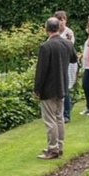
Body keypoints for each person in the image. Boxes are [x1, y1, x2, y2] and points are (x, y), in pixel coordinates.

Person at [33, 16, 76, 159]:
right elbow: (74, 59)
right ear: (59, 28)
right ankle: (59, 146)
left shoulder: (46, 46)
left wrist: (37, 89)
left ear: (46, 29)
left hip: (49, 88)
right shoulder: (68, 44)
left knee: (50, 119)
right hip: (62, 86)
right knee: (59, 118)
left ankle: (52, 149)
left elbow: (41, 70)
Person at [55, 10, 78, 123]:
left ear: (65, 20)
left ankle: (66, 114)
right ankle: (58, 112)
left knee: (66, 88)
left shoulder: (69, 33)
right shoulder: (54, 32)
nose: (60, 22)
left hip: (68, 64)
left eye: (62, 19)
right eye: (58, 20)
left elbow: (68, 47)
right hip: (57, 64)